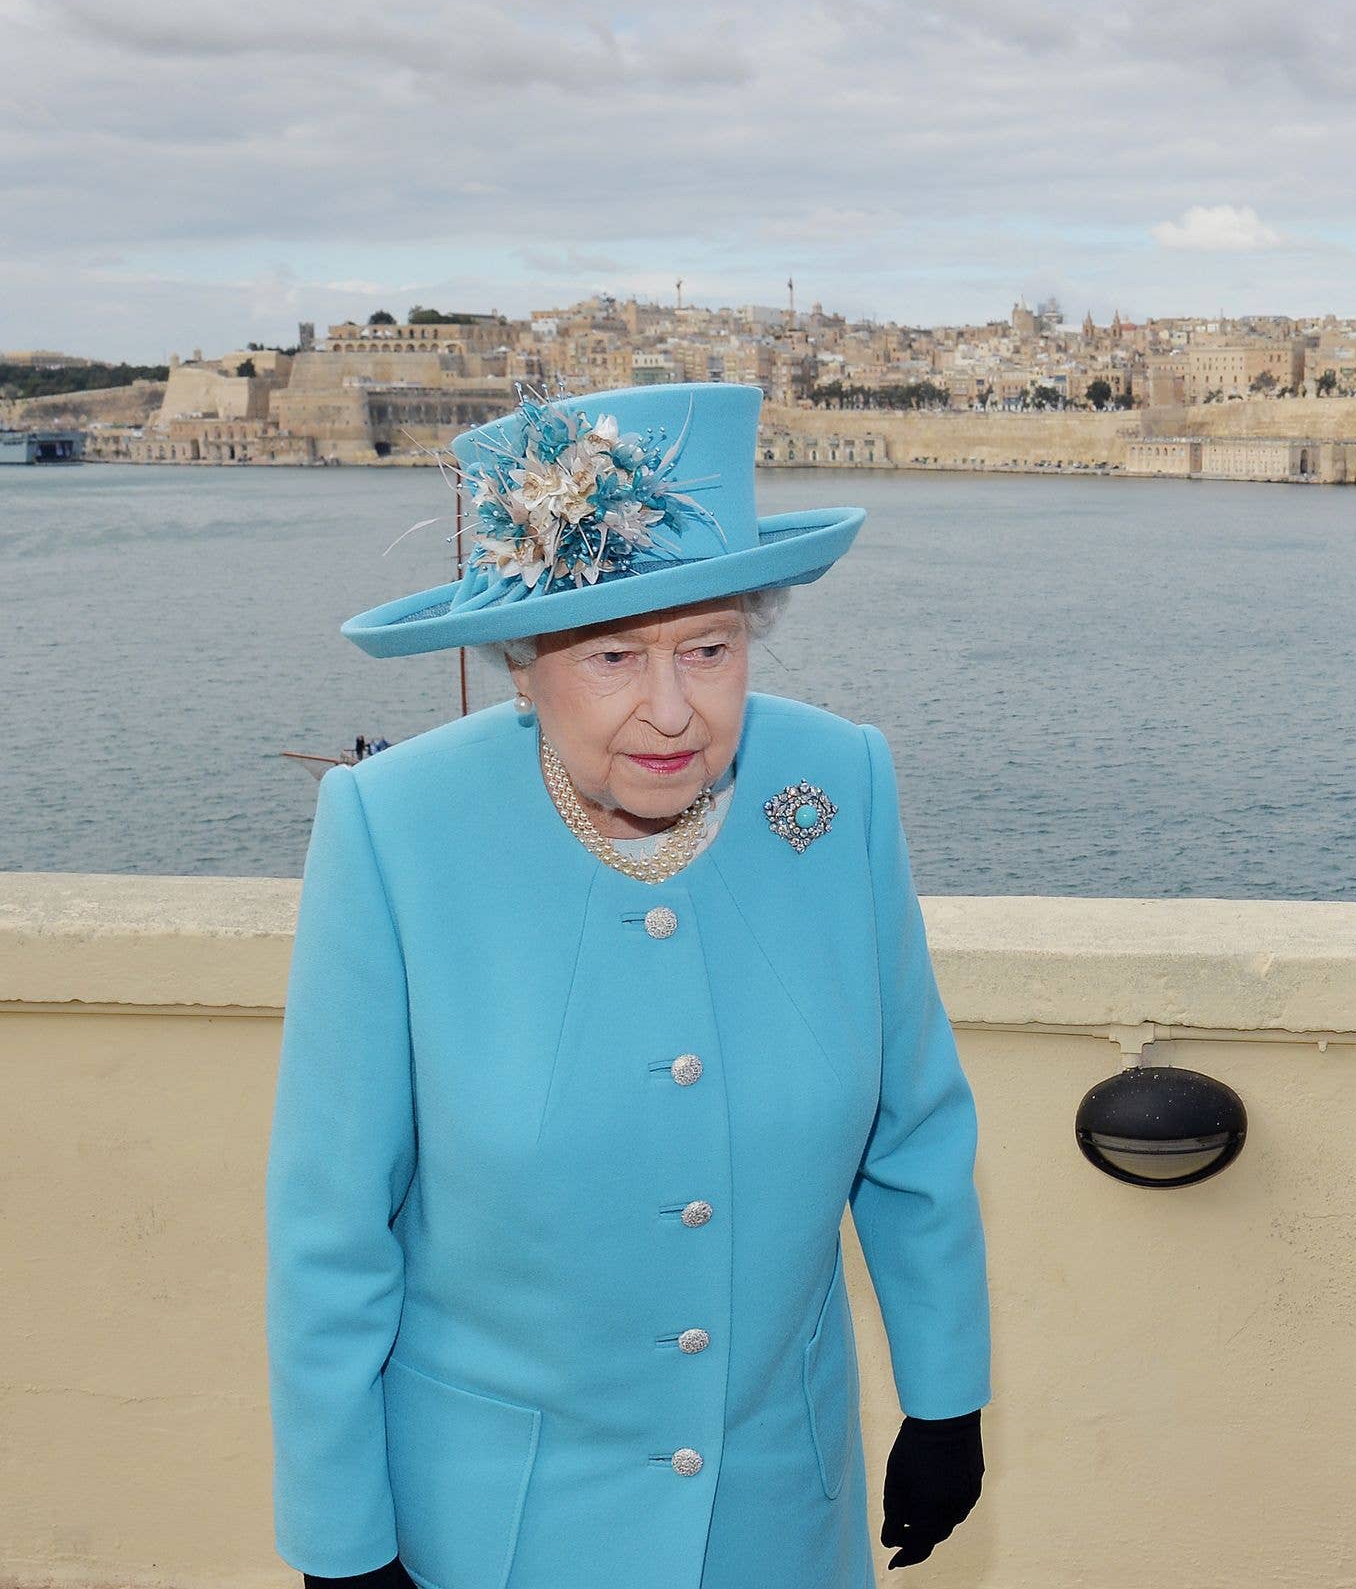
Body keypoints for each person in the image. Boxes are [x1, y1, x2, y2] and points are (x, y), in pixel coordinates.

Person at [267, 384, 990, 1589]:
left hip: (778, 1514)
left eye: (710, 648)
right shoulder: (396, 828)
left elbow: (910, 1127)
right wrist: (342, 1540)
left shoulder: (834, 782)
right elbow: (331, 1225)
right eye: (613, 655)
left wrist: (945, 1395)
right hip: (497, 1527)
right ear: (523, 665)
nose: (672, 708)